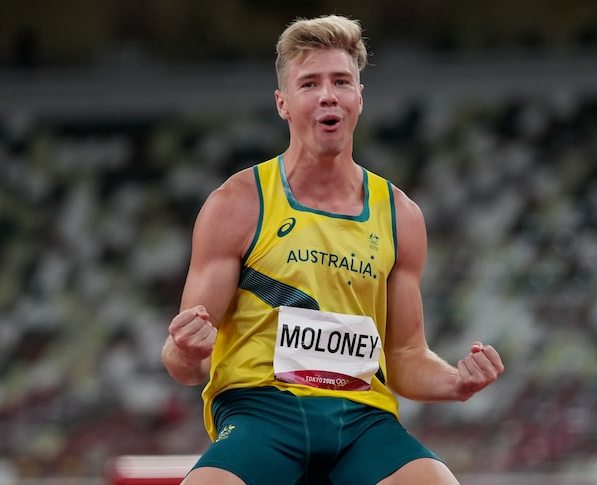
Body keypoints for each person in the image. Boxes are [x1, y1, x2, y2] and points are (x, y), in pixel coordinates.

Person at [162, 14, 505, 485]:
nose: (327, 94)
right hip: (262, 412)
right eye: (310, 84)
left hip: (360, 422)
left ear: (359, 99)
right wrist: (183, 349)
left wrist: (456, 383)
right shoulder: (237, 205)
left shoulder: (400, 215)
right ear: (283, 103)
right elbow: (188, 365)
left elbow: (404, 354)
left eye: (341, 81)